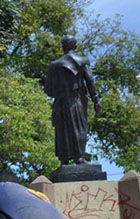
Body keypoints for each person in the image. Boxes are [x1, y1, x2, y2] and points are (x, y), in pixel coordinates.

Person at [44, 35, 100, 166]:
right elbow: (90, 80)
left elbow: (48, 89)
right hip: (77, 99)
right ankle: (80, 157)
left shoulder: (54, 65)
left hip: (61, 102)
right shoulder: (82, 61)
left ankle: (64, 159)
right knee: (79, 127)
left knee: (63, 129)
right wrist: (96, 99)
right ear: (75, 46)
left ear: (63, 47)